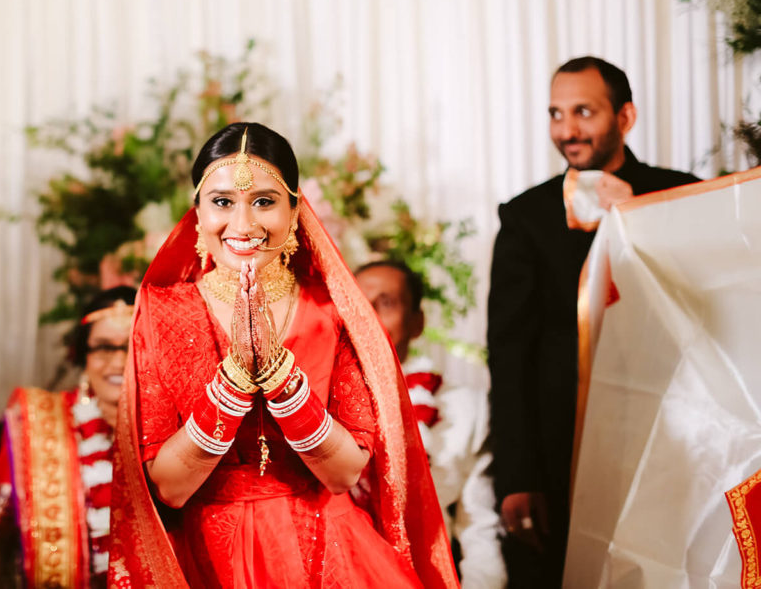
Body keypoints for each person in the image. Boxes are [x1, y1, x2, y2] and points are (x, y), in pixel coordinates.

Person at [108, 123, 458, 588]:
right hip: (206, 561)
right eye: (222, 201)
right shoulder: (162, 310)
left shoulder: (332, 310)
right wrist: (234, 381)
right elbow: (170, 487)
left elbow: (344, 473)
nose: (243, 224)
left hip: (329, 552)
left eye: (265, 201)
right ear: (196, 212)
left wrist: (279, 378)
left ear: (295, 211)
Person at [486, 56, 699, 586]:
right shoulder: (525, 216)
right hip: (564, 451)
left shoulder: (682, 195)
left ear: (625, 117)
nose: (568, 130)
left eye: (584, 111)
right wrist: (517, 476)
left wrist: (642, 220)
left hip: (671, 440)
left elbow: (705, 311)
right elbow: (509, 355)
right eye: (557, 114)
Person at [0, 286, 137, 589]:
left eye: (131, 346)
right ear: (82, 355)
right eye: (102, 347)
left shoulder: (176, 429)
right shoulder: (42, 421)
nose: (118, 362)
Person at [357, 260, 506, 589]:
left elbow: (479, 527)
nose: (368, 316)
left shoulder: (467, 408)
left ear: (417, 322)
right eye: (357, 304)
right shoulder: (317, 404)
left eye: (386, 303)